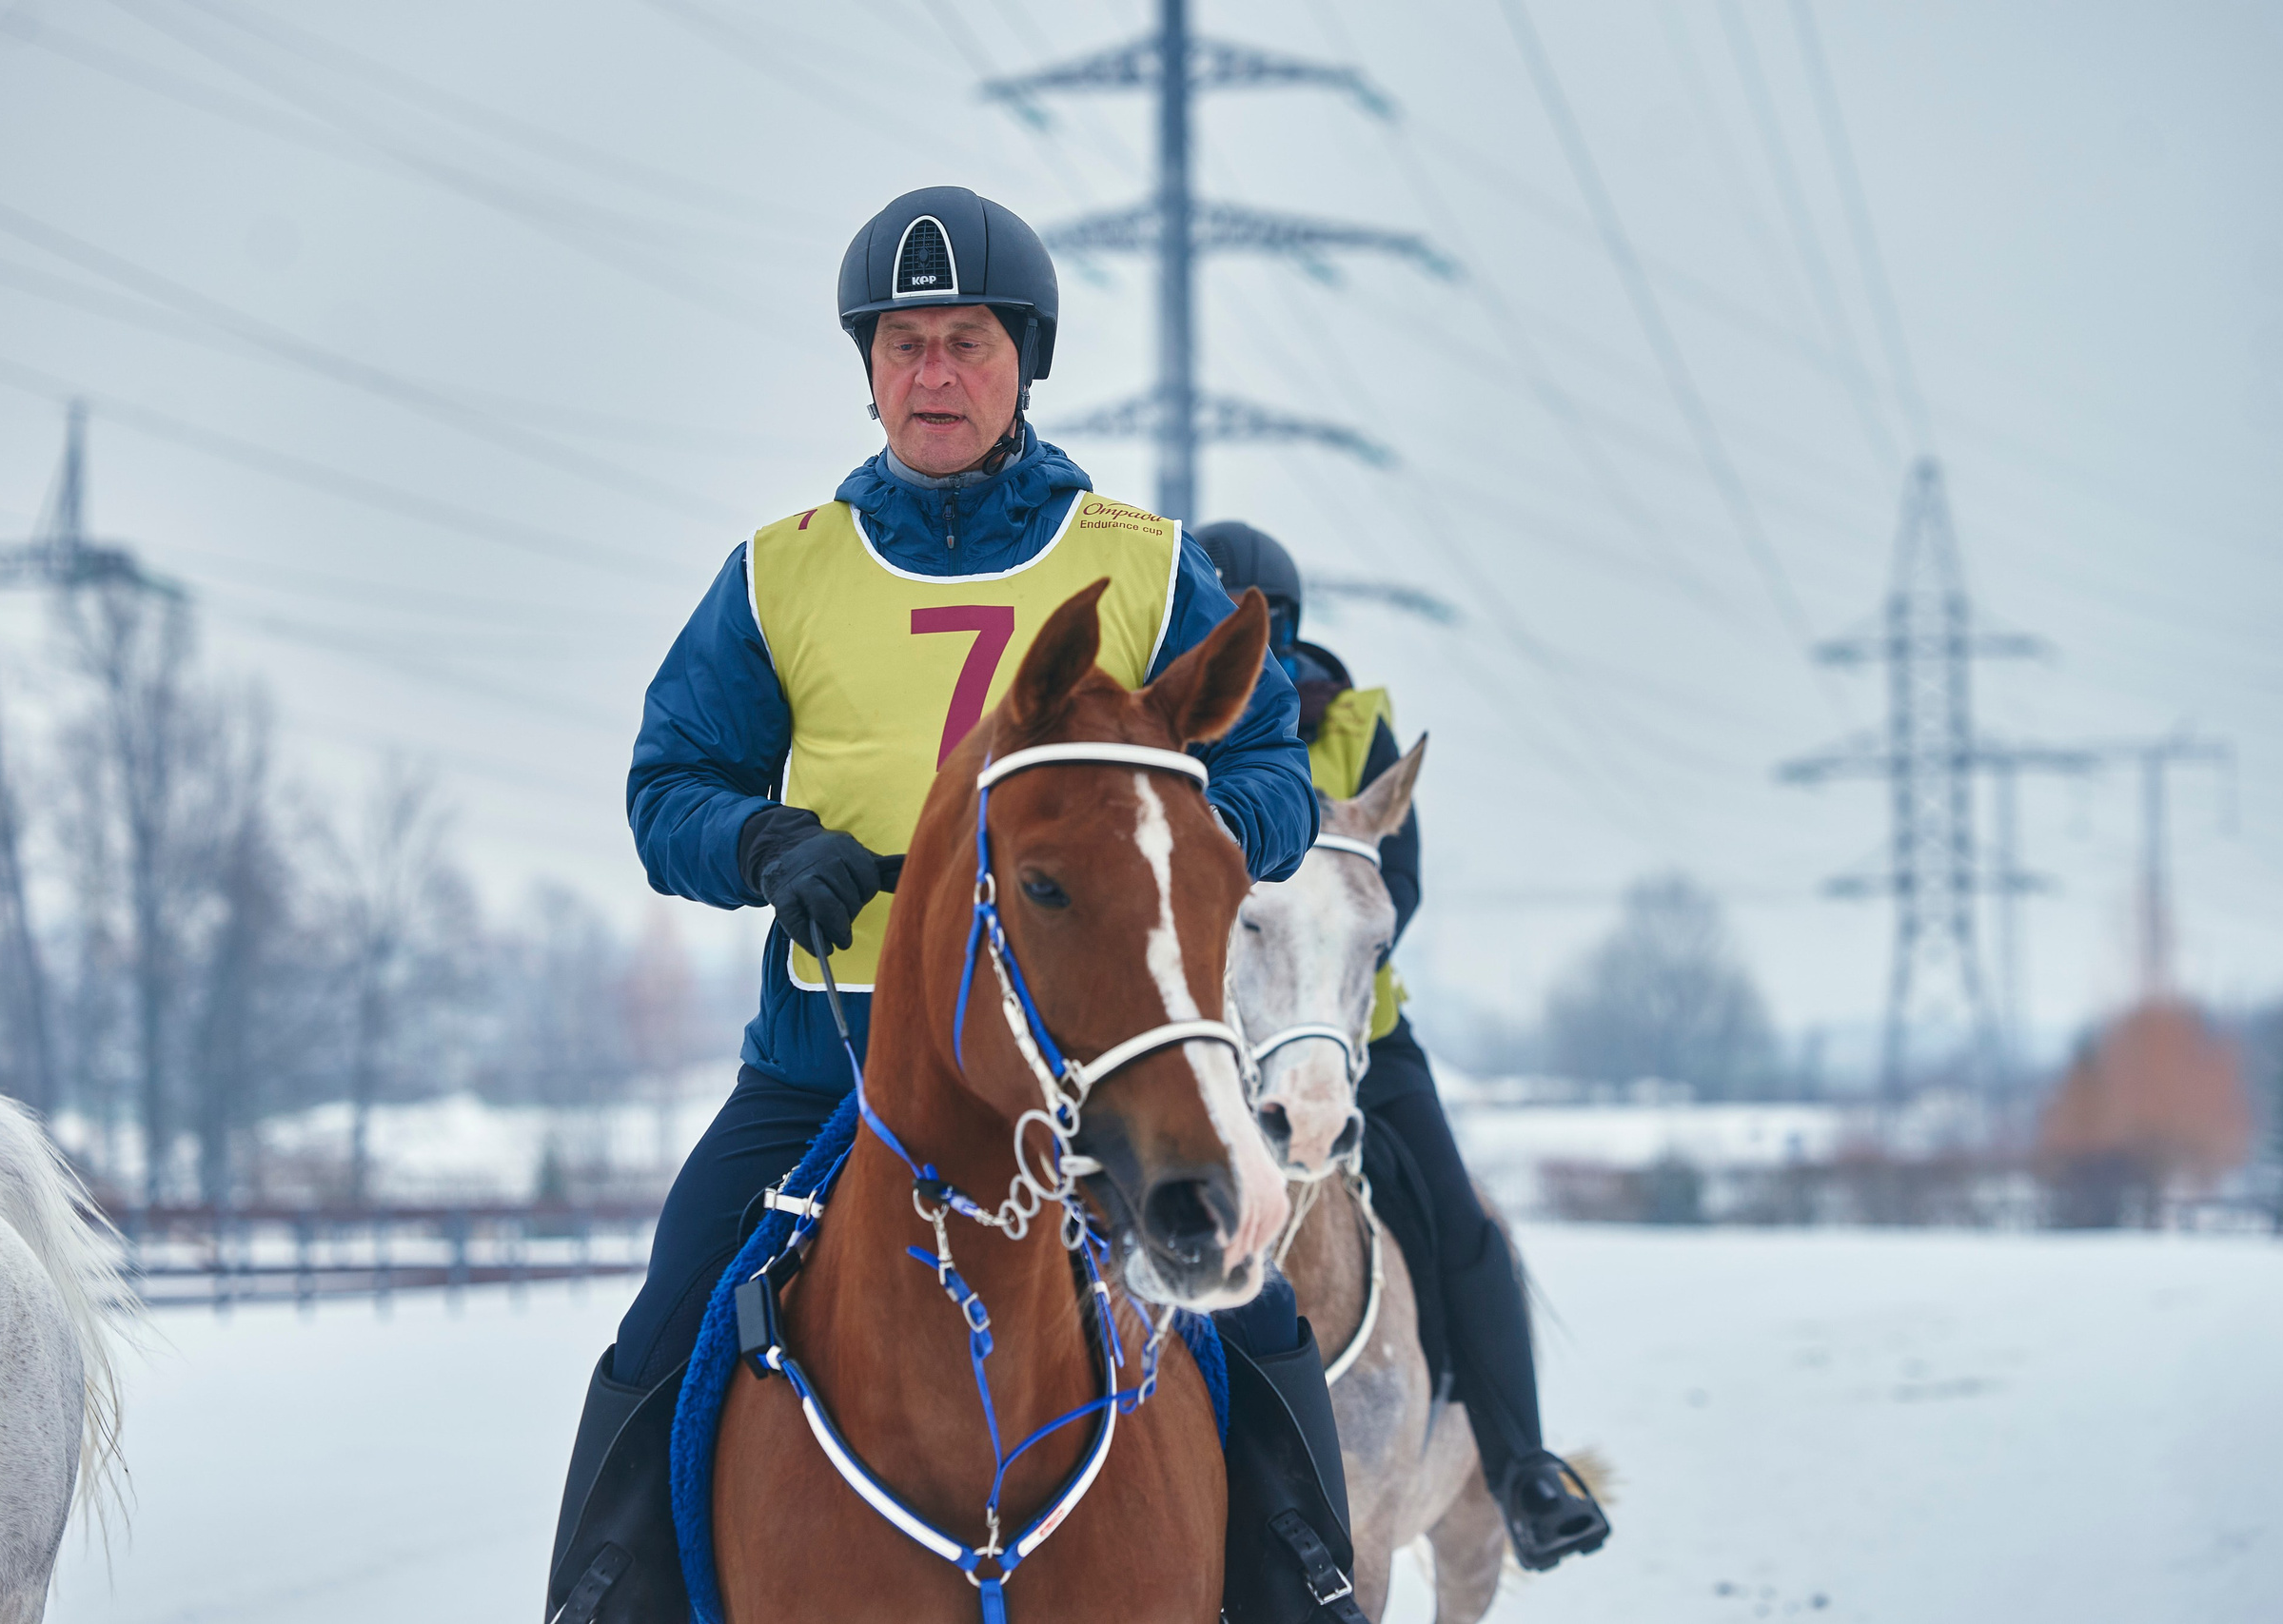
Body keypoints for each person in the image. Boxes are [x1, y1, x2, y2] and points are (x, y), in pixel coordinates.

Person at [548, 186, 1370, 1624]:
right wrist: (760, 841)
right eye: (906, 343)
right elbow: (666, 779)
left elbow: (1260, 765)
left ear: (1024, 363)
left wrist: (1171, 843)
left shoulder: (1140, 558)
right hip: (833, 1059)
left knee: (1260, 1309)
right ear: (868, 367)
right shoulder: (779, 571)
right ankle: (594, 1597)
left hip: (1089, 1062)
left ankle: (1311, 1587)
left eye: (968, 342)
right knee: (669, 1313)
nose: (936, 372)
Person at [1195, 519, 1613, 1574]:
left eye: (1269, 626)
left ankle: (1520, 1468)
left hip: (1346, 1030)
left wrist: (1323, 979)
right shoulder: (1164, 726)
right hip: (1193, 1031)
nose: (1251, 643)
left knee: (1459, 1223)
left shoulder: (1356, 730)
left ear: (1292, 631)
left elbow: (1402, 882)